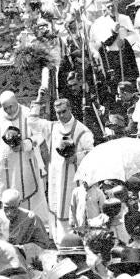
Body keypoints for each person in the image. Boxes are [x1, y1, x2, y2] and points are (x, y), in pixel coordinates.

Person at [29, 97, 95, 239]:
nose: (61, 115)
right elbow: (32, 122)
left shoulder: (82, 131)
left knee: (71, 209)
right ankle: (59, 241)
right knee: (56, 206)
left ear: (70, 109)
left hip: (73, 177)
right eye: (57, 112)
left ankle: (74, 241)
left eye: (64, 111)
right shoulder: (52, 127)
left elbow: (91, 153)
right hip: (55, 177)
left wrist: (76, 157)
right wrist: (39, 101)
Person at [0, 91, 49, 222]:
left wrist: (25, 144)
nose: (9, 110)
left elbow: (39, 135)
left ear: (16, 102)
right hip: (4, 168)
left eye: (11, 106)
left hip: (25, 165)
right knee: (5, 199)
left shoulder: (27, 113)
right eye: (5, 108)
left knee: (29, 198)